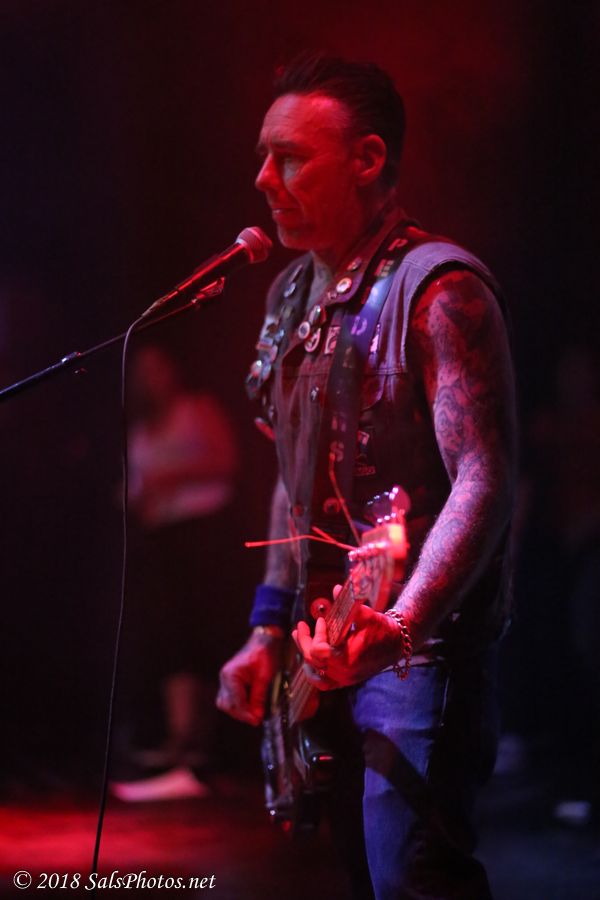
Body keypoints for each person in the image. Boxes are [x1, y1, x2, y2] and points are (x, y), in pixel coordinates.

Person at [217, 55, 517, 899]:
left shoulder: (441, 290)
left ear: (368, 158)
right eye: (264, 155)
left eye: (290, 158)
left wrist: (404, 624)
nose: (263, 178)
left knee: (415, 879)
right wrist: (268, 628)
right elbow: (292, 479)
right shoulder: (289, 296)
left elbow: (485, 478)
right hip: (323, 647)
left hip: (418, 652)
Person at [112, 343, 238, 801]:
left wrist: (168, 478)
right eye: (140, 370)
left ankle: (199, 750)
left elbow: (225, 462)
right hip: (161, 539)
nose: (148, 378)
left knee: (202, 632)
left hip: (204, 534)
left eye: (155, 367)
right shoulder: (140, 427)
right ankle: (180, 747)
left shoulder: (197, 410)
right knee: (170, 637)